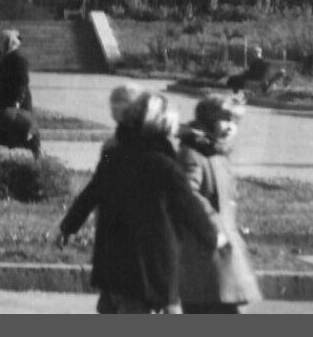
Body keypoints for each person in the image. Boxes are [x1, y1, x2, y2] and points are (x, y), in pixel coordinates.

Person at [56, 91, 225, 314]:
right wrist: (212, 238)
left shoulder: (114, 156)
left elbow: (91, 193)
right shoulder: (165, 166)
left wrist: (67, 227)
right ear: (165, 126)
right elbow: (189, 207)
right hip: (148, 270)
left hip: (113, 267)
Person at [177, 95, 261, 313]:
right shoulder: (194, 153)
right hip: (206, 248)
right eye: (225, 120)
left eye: (235, 122)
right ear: (207, 120)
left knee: (227, 304)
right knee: (213, 305)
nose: (231, 127)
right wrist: (214, 227)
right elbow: (187, 194)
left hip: (221, 247)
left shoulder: (216, 152)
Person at [0, 28, 41, 157]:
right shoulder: (0, 56)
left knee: (24, 129)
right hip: (0, 100)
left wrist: (17, 101)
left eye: (1, 41)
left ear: (8, 42)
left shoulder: (19, 58)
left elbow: (23, 82)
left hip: (15, 100)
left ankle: (37, 155)